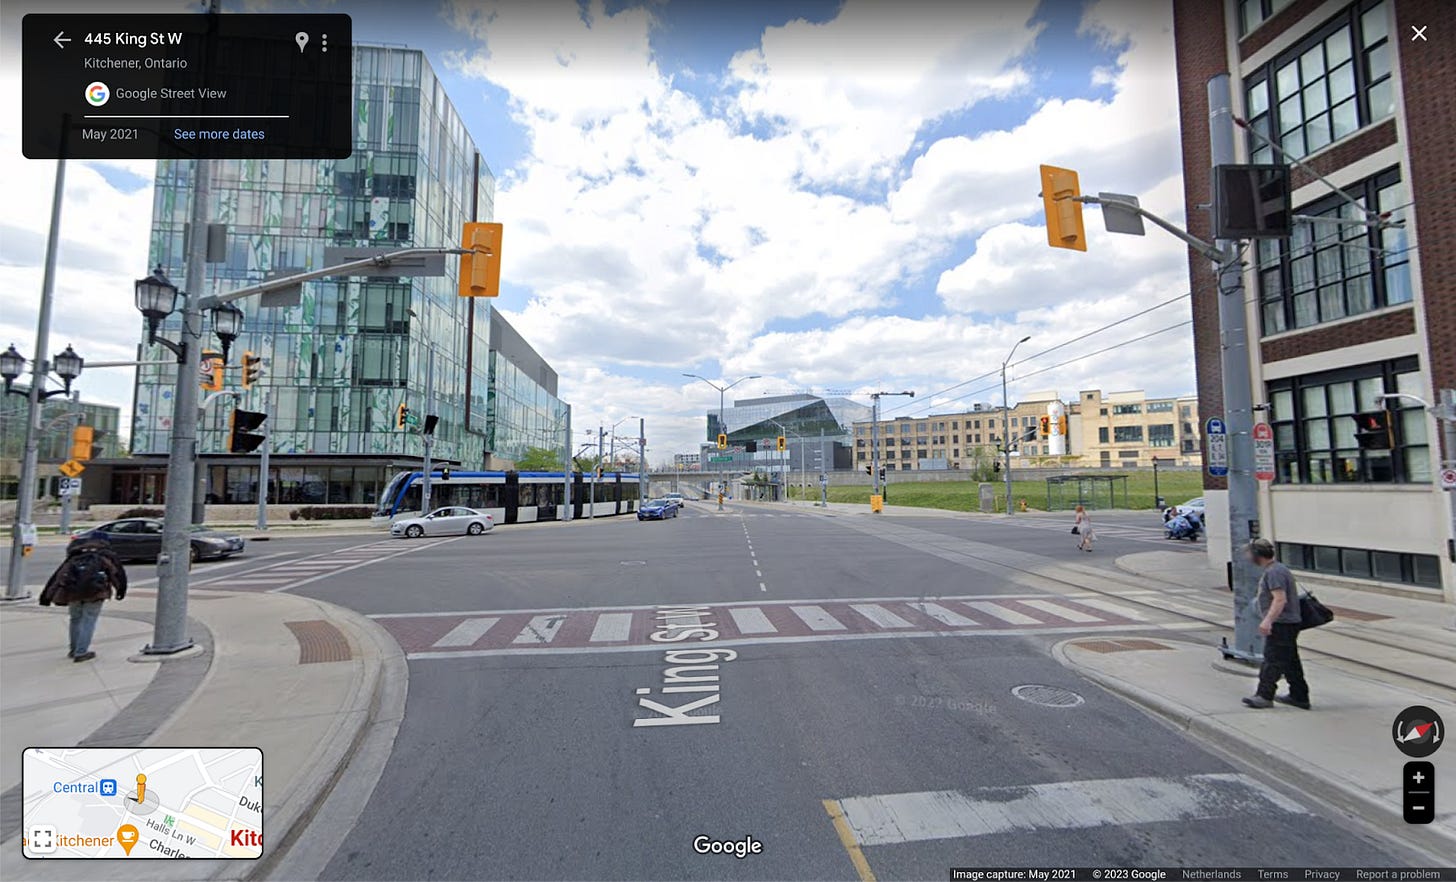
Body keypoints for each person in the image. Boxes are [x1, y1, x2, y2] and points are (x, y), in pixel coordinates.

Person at [1242, 538, 1309, 710]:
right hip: (1288, 623)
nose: (1248, 558)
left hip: (1282, 624)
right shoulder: (1277, 569)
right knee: (1290, 661)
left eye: (1250, 554)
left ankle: (1264, 695)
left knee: (1272, 661)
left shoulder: (1274, 572)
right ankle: (1299, 696)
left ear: (1258, 555)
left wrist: (1267, 620)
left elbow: (1280, 599)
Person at [38, 538, 128, 662]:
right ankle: (81, 652)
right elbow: (117, 574)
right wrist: (120, 591)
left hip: (73, 593)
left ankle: (74, 649)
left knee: (75, 620)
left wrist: (46, 596)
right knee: (88, 620)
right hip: (95, 593)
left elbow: (57, 576)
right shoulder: (104, 556)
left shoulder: (74, 557)